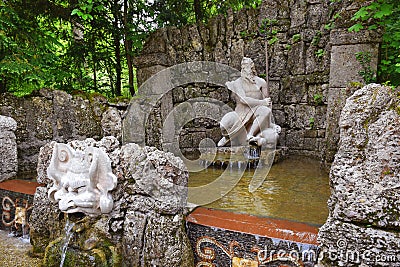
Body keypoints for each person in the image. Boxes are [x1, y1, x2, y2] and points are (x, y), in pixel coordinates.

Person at [218, 57, 280, 147]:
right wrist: (262, 102)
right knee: (224, 124)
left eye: (247, 66)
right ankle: (229, 136)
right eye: (243, 67)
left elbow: (268, 105)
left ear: (252, 67)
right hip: (240, 115)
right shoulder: (237, 83)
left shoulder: (261, 82)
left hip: (256, 115)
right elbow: (243, 100)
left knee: (265, 113)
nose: (244, 69)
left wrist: (271, 124)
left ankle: (250, 135)